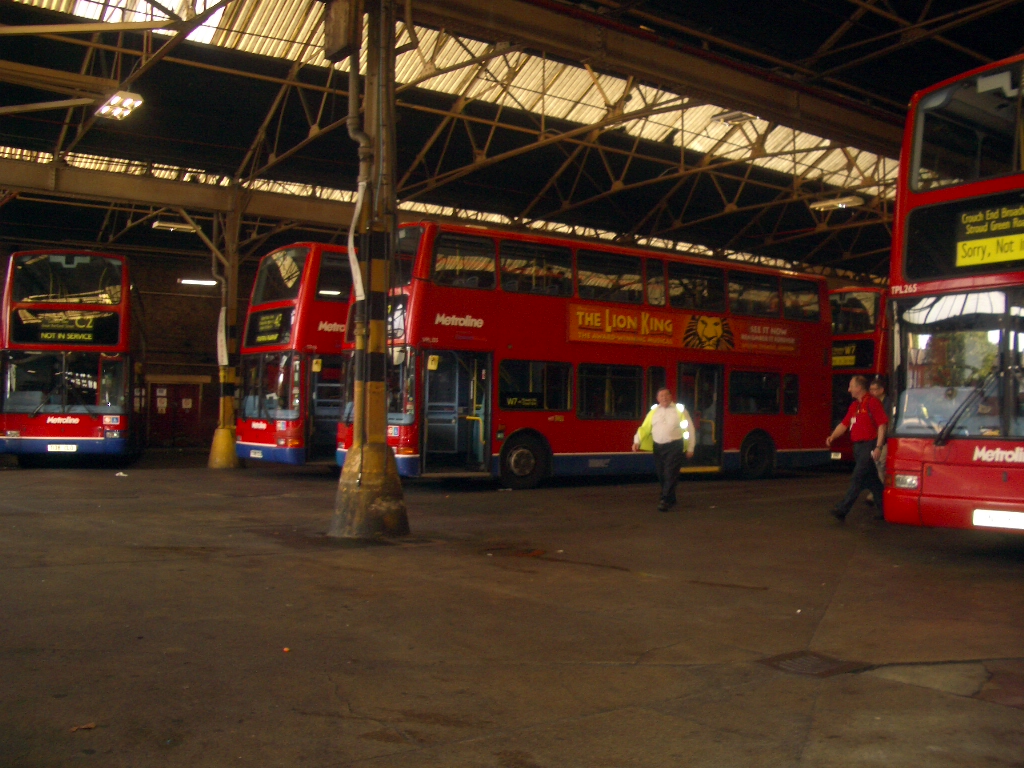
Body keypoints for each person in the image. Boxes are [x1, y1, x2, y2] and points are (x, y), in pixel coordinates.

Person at [826, 375, 887, 522]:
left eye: (851, 386)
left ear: (859, 388)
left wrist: (878, 446)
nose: (849, 390)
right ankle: (886, 510)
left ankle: (843, 509)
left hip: (869, 446)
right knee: (873, 481)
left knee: (857, 477)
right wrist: (833, 436)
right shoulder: (855, 406)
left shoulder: (872, 403)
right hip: (858, 448)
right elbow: (844, 424)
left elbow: (882, 425)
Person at [632, 388, 696, 512]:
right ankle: (671, 498)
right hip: (658, 447)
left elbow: (690, 429)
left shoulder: (680, 410)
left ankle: (665, 500)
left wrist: (690, 448)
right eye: (661, 396)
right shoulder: (653, 412)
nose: (664, 398)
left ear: (671, 396)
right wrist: (637, 441)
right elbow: (644, 428)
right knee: (662, 474)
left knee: (670, 473)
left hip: (675, 446)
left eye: (666, 395)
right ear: (657, 399)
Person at [866, 376, 892, 503]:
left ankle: (879, 494)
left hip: (883, 441)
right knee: (877, 466)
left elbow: (884, 423)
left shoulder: (888, 403)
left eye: (874, 390)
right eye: (870, 389)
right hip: (875, 440)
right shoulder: (873, 403)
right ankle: (878, 492)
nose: (871, 392)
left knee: (880, 465)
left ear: (882, 390)